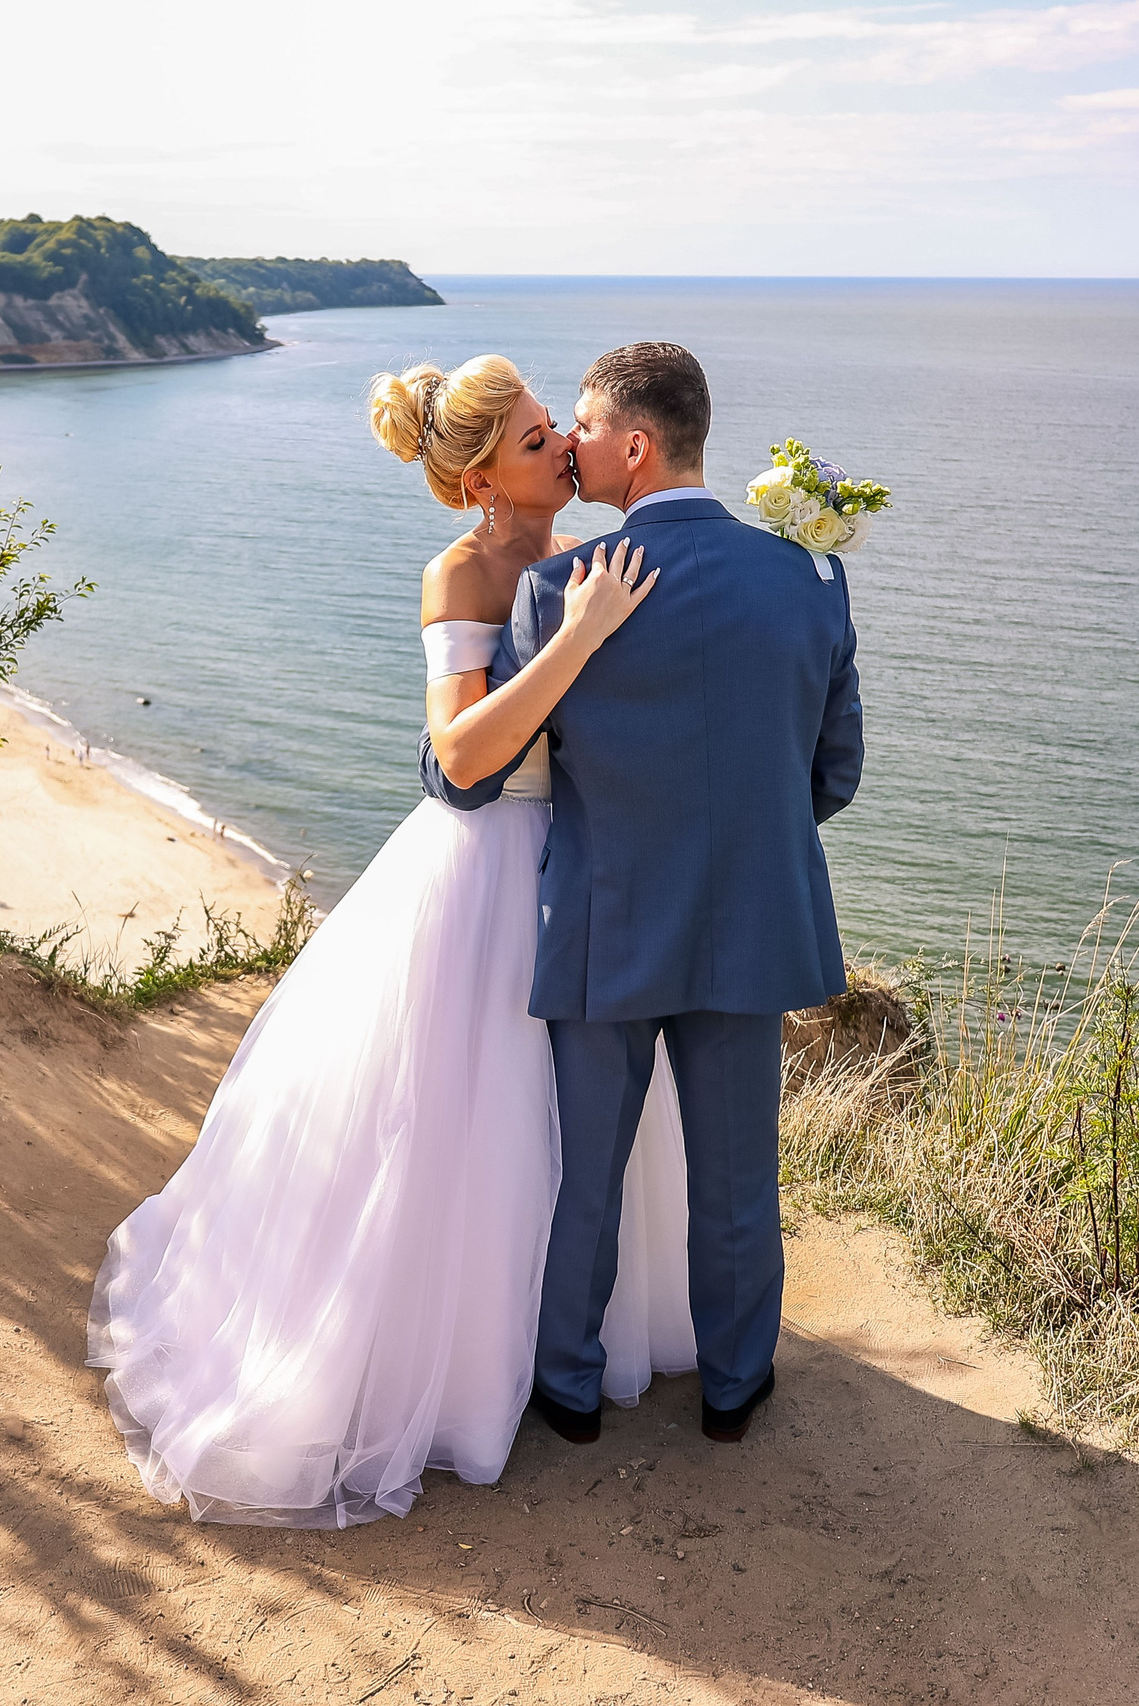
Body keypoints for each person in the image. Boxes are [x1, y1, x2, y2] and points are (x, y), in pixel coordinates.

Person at [86, 354, 697, 1527]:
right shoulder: (458, 572)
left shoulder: (592, 556)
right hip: (483, 871)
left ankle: (560, 1340)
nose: (562, 448)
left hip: (582, 867)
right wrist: (574, 640)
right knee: (463, 1118)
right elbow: (460, 754)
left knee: (575, 1119)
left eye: (554, 428)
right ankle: (450, 1372)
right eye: (535, 439)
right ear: (481, 481)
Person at [423, 341, 863, 1447]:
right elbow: (833, 774)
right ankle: (734, 1388)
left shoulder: (557, 591)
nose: (567, 443)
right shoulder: (810, 579)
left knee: (588, 1177)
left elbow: (498, 769)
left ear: (633, 445)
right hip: (751, 925)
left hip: (604, 922)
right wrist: (738, 844)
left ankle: (570, 1390)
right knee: (737, 1180)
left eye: (578, 424)